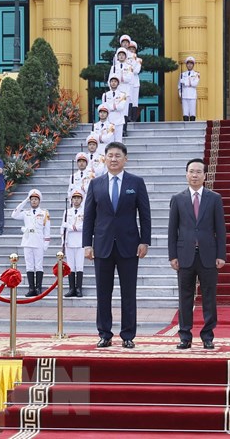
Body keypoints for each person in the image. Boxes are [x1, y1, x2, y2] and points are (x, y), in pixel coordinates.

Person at [83, 142, 151, 349]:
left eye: (118, 156)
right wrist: (87, 244)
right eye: (110, 155)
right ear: (105, 158)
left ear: (125, 159)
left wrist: (144, 241)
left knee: (128, 292)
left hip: (129, 245)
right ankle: (104, 333)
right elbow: (89, 217)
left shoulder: (136, 182)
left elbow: (145, 215)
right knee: (103, 293)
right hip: (102, 246)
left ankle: (128, 334)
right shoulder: (96, 184)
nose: (114, 159)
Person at [168, 158, 227, 350]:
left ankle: (207, 336)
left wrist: (221, 255)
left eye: (198, 172)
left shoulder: (214, 198)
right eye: (191, 171)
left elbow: (220, 229)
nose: (194, 175)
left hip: (208, 255)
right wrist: (172, 255)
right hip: (184, 255)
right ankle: (185, 336)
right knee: (185, 297)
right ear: (186, 174)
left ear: (205, 176)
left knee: (209, 297)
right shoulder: (178, 199)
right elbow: (172, 230)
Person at [11, 189, 51, 297]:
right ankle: (31, 288)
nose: (33, 201)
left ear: (39, 201)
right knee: (29, 266)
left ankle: (38, 288)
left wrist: (46, 243)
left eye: (36, 199)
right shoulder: (26, 213)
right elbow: (14, 215)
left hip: (38, 241)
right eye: (32, 199)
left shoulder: (44, 213)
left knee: (38, 265)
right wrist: (24, 201)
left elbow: (47, 230)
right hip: (27, 241)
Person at [61, 189, 85, 298]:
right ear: (72, 200)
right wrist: (63, 241)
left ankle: (79, 288)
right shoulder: (67, 212)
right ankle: (71, 288)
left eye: (78, 198)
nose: (76, 200)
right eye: (74, 198)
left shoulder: (84, 211)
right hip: (69, 241)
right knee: (71, 266)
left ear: (81, 199)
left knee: (79, 266)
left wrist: (71, 227)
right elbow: (63, 227)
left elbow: (84, 227)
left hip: (80, 241)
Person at [101, 73, 127, 143]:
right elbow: (104, 107)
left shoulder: (122, 95)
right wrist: (115, 106)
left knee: (118, 141)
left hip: (119, 119)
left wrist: (110, 106)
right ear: (109, 83)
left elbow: (121, 107)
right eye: (112, 81)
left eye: (115, 81)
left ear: (118, 83)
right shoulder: (105, 95)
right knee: (109, 140)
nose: (113, 83)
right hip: (109, 120)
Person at [178, 56, 200, 121]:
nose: (189, 65)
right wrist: (180, 93)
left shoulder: (197, 74)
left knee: (192, 113)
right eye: (188, 63)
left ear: (193, 65)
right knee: (185, 113)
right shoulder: (182, 74)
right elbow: (179, 85)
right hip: (184, 95)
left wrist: (185, 82)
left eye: (191, 63)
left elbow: (195, 84)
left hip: (192, 96)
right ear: (186, 64)